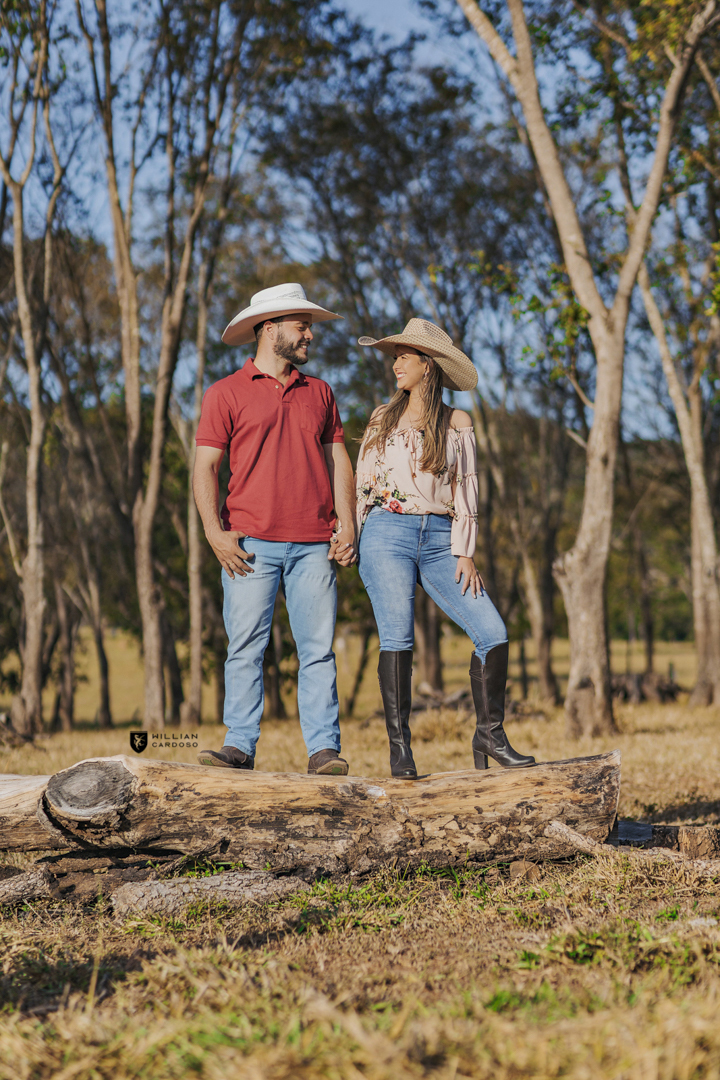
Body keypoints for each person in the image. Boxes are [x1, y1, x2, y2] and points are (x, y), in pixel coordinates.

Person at [355, 318, 535, 779]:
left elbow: (465, 493)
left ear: (427, 366)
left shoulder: (457, 423)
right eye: (394, 356)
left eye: (404, 356)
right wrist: (354, 536)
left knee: (492, 632)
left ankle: (490, 736)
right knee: (398, 637)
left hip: (440, 540)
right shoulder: (382, 418)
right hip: (387, 532)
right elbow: (364, 485)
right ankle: (401, 751)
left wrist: (465, 551)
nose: (395, 364)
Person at [193, 283, 357, 775]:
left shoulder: (320, 392)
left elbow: (339, 457)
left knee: (318, 653)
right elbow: (205, 468)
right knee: (244, 648)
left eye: (309, 325)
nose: (310, 334)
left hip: (314, 544)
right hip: (248, 544)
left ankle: (324, 750)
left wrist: (348, 523)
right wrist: (213, 532)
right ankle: (239, 746)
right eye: (301, 325)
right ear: (269, 329)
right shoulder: (224, 393)